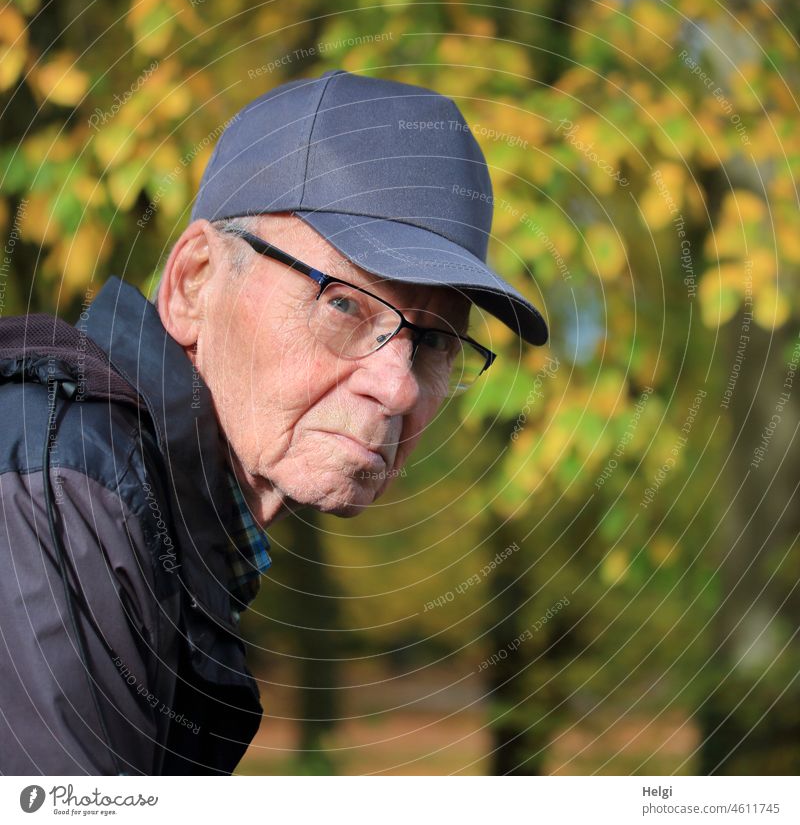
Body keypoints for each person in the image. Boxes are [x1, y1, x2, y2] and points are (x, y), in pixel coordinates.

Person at [0, 69, 548, 775]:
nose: (400, 385)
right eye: (345, 305)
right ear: (195, 281)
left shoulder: (164, 516)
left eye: (436, 340)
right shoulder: (58, 485)